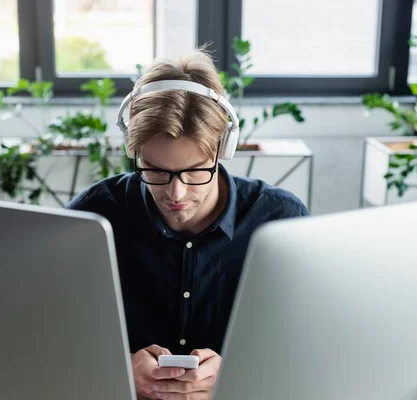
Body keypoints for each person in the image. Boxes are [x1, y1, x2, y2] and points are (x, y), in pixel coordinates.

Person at [66, 48, 310, 400]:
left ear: (222, 149)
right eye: (155, 170)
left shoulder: (280, 220)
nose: (175, 193)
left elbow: (306, 343)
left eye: (195, 171)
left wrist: (239, 372)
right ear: (134, 152)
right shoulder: (94, 216)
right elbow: (55, 334)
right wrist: (117, 368)